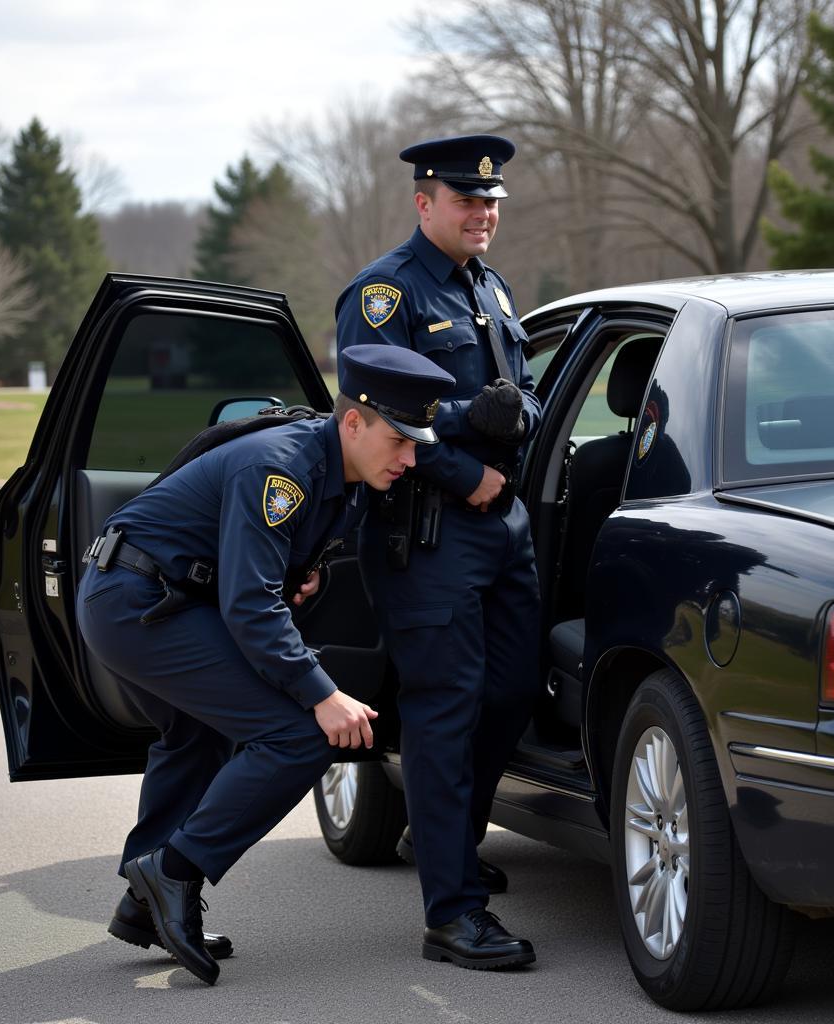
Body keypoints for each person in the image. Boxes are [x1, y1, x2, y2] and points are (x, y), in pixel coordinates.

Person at [75, 344, 455, 986]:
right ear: (353, 422)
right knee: (299, 734)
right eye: (400, 439)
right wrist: (321, 693)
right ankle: (173, 872)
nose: (412, 457)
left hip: (161, 598)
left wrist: (293, 580)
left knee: (195, 736)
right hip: (136, 602)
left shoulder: (347, 479)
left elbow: (259, 578)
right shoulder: (279, 468)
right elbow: (251, 606)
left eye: (419, 442)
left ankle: (145, 906)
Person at [335, 135, 542, 970]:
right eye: (467, 201)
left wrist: (515, 415)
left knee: (513, 691)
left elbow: (518, 396)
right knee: (445, 710)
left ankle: (442, 834)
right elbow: (369, 414)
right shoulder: (388, 293)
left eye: (491, 202)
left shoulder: (490, 289)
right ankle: (452, 918)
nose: (483, 213)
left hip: (505, 528)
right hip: (429, 530)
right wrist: (467, 463)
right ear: (425, 203)